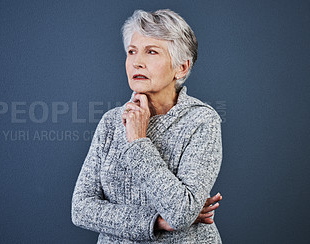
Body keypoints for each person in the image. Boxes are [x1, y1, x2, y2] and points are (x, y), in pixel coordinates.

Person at [72, 9, 223, 243]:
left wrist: (138, 142)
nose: (137, 62)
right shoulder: (112, 122)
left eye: (151, 52)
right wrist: (156, 222)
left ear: (181, 68)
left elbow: (181, 214)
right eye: (132, 51)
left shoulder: (201, 121)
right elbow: (81, 209)